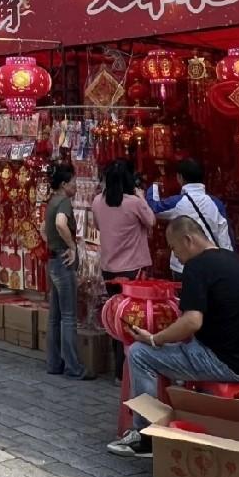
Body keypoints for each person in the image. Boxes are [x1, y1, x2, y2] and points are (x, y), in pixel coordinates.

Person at [107, 216, 239, 457]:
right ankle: (183, 413)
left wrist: (155, 339)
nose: (175, 256)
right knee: (182, 344)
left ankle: (146, 436)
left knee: (140, 353)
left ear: (188, 240)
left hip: (226, 363)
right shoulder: (231, 259)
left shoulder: (197, 266)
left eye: (174, 248)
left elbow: (192, 321)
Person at [92, 160, 155, 379]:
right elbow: (151, 221)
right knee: (134, 319)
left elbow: (98, 226)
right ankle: (129, 369)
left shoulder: (98, 201)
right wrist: (141, 196)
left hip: (109, 268)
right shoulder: (134, 203)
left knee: (116, 317)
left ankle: (119, 369)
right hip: (133, 269)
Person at [44, 163, 94, 381]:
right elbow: (60, 223)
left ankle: (54, 363)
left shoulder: (52, 201)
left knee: (55, 317)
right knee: (68, 317)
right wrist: (71, 247)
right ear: (64, 184)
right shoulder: (63, 202)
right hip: (62, 263)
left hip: (53, 261)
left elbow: (45, 229)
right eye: (73, 182)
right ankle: (73, 367)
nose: (76, 185)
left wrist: (54, 245)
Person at [146, 157, 233, 275]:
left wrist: (155, 186)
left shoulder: (177, 203)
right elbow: (225, 239)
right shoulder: (216, 204)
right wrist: (228, 264)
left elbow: (154, 208)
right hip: (213, 265)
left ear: (180, 178)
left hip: (183, 267)